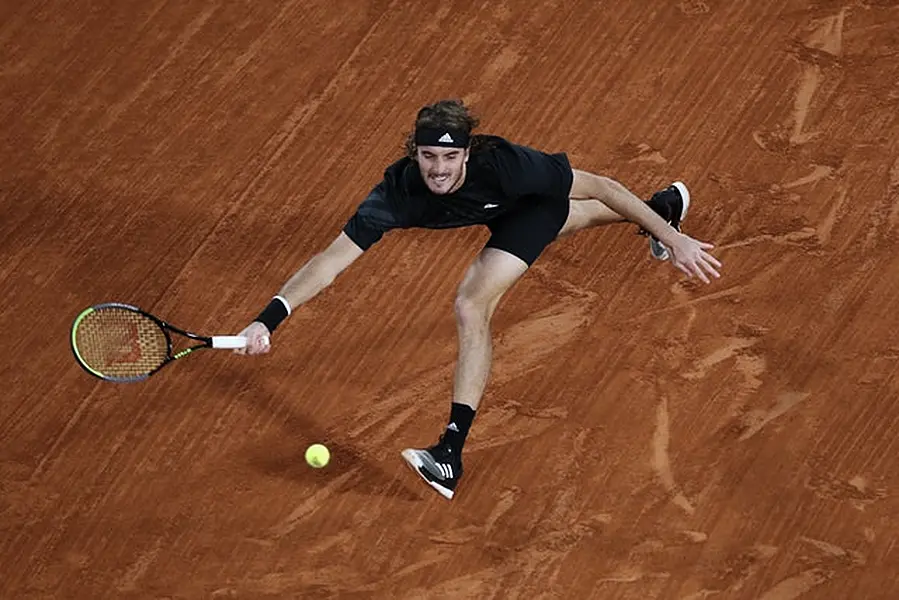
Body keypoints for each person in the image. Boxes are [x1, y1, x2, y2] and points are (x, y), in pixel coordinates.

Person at [234, 99, 722, 500]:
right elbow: (329, 261)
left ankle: (449, 455)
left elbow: (602, 185)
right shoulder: (395, 196)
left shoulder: (508, 166)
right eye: (428, 157)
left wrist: (675, 243)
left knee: (474, 302)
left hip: (525, 206)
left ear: (468, 154)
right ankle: (663, 209)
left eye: (450, 158)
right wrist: (268, 320)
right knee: (576, 220)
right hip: (505, 211)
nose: (439, 169)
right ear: (414, 153)